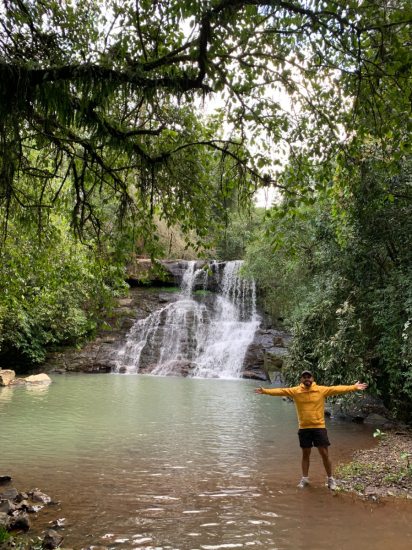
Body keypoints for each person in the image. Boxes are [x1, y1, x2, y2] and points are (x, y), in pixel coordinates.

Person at [255, 370, 368, 490]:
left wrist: (354, 387)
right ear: (301, 380)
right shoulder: (295, 391)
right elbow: (280, 391)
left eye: (309, 377)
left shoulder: (320, 390)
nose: (307, 379)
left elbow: (337, 389)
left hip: (319, 427)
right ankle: (305, 479)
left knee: (324, 454)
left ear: (312, 379)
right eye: (304, 377)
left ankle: (330, 479)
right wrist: (264, 391)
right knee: (305, 454)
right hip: (304, 428)